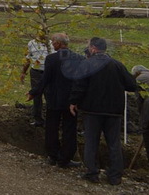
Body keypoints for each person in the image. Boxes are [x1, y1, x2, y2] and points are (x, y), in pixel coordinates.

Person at [69, 37, 138, 185]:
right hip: (114, 111)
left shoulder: (87, 64)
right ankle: (115, 176)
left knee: (91, 142)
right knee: (114, 143)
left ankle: (92, 173)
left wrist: (73, 102)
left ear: (93, 48)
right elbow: (132, 85)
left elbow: (79, 86)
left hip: (92, 110)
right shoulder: (117, 65)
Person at [27, 33, 81, 168]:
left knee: (52, 128)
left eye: (53, 42)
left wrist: (34, 92)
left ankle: (53, 155)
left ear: (58, 43)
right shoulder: (78, 58)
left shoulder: (51, 59)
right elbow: (80, 81)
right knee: (69, 130)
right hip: (71, 101)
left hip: (54, 99)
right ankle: (65, 159)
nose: (51, 44)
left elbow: (45, 79)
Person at [20, 35, 52, 127]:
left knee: (49, 95)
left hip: (48, 73)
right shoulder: (31, 43)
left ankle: (50, 120)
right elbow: (28, 58)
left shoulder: (51, 45)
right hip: (36, 73)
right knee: (36, 96)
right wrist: (23, 72)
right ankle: (38, 120)